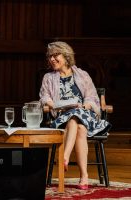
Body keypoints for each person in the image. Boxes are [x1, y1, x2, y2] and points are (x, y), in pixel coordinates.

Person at [39, 41, 111, 189]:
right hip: (61, 117)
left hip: (85, 114)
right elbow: (44, 98)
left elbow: (91, 97)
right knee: (79, 127)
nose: (52, 59)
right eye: (49, 57)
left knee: (76, 115)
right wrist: (55, 105)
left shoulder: (83, 75)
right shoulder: (48, 77)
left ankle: (64, 157)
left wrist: (85, 105)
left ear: (66, 56)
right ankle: (84, 177)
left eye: (55, 55)